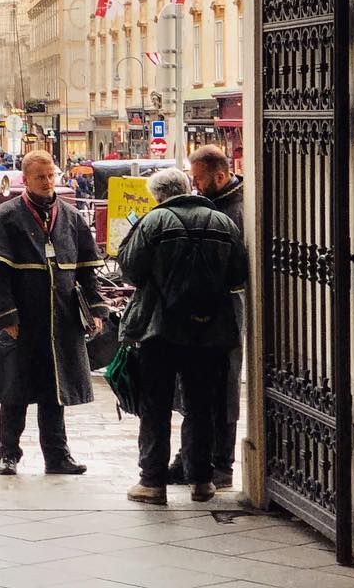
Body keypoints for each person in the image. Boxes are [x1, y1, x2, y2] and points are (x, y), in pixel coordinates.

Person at [117, 167, 248, 505]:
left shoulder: (153, 222)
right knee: (201, 406)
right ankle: (202, 481)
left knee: (155, 405)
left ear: (158, 196)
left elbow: (129, 269)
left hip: (159, 329)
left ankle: (152, 482)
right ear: (188, 187)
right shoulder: (222, 222)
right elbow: (238, 274)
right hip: (210, 330)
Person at [0, 149, 108, 476]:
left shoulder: (71, 216)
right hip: (23, 321)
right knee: (15, 392)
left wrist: (95, 310)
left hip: (61, 321)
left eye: (51, 175)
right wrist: (5, 316)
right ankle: (8, 454)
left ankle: (57, 457)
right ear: (27, 179)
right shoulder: (8, 215)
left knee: (55, 393)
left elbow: (87, 270)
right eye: (40, 177)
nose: (48, 182)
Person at [166, 145, 246, 489]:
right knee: (194, 387)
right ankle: (189, 459)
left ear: (220, 175)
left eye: (199, 179)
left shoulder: (236, 210)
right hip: (198, 308)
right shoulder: (212, 204)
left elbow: (236, 267)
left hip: (225, 310)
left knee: (224, 386)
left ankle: (221, 465)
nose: (195, 186)